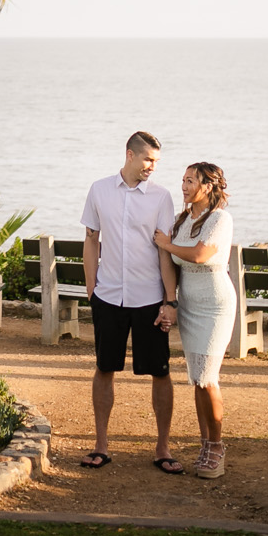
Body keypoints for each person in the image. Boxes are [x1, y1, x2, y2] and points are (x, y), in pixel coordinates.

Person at [79, 130, 183, 473]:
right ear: (130, 155)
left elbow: (164, 251)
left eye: (156, 161)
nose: (152, 167)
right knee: (105, 368)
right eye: (148, 159)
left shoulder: (161, 198)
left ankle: (163, 447)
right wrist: (92, 288)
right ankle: (101, 445)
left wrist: (170, 301)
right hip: (108, 297)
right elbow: (92, 239)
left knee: (160, 372)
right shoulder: (99, 190)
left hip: (149, 299)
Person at [154, 161, 234, 478]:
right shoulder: (184, 220)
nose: (184, 186)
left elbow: (201, 255)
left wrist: (166, 243)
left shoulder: (220, 219)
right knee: (198, 379)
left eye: (191, 181)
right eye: (183, 180)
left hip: (215, 306)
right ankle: (205, 443)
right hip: (188, 306)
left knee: (208, 377)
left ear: (208, 186)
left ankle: (217, 446)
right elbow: (172, 263)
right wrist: (169, 301)